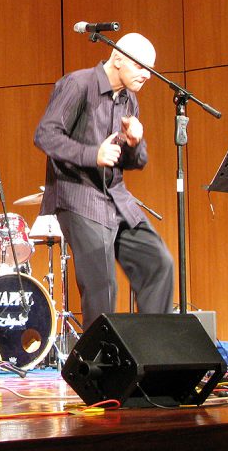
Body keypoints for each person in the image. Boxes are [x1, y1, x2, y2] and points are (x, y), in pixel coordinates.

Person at [33, 32, 174, 328]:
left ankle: (151, 345)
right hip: (78, 195)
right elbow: (45, 135)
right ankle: (101, 356)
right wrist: (92, 154)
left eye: (150, 69)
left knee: (158, 263)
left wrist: (134, 143)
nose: (147, 75)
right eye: (140, 67)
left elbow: (135, 162)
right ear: (118, 59)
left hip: (115, 197)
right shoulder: (79, 84)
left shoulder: (128, 99)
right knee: (103, 286)